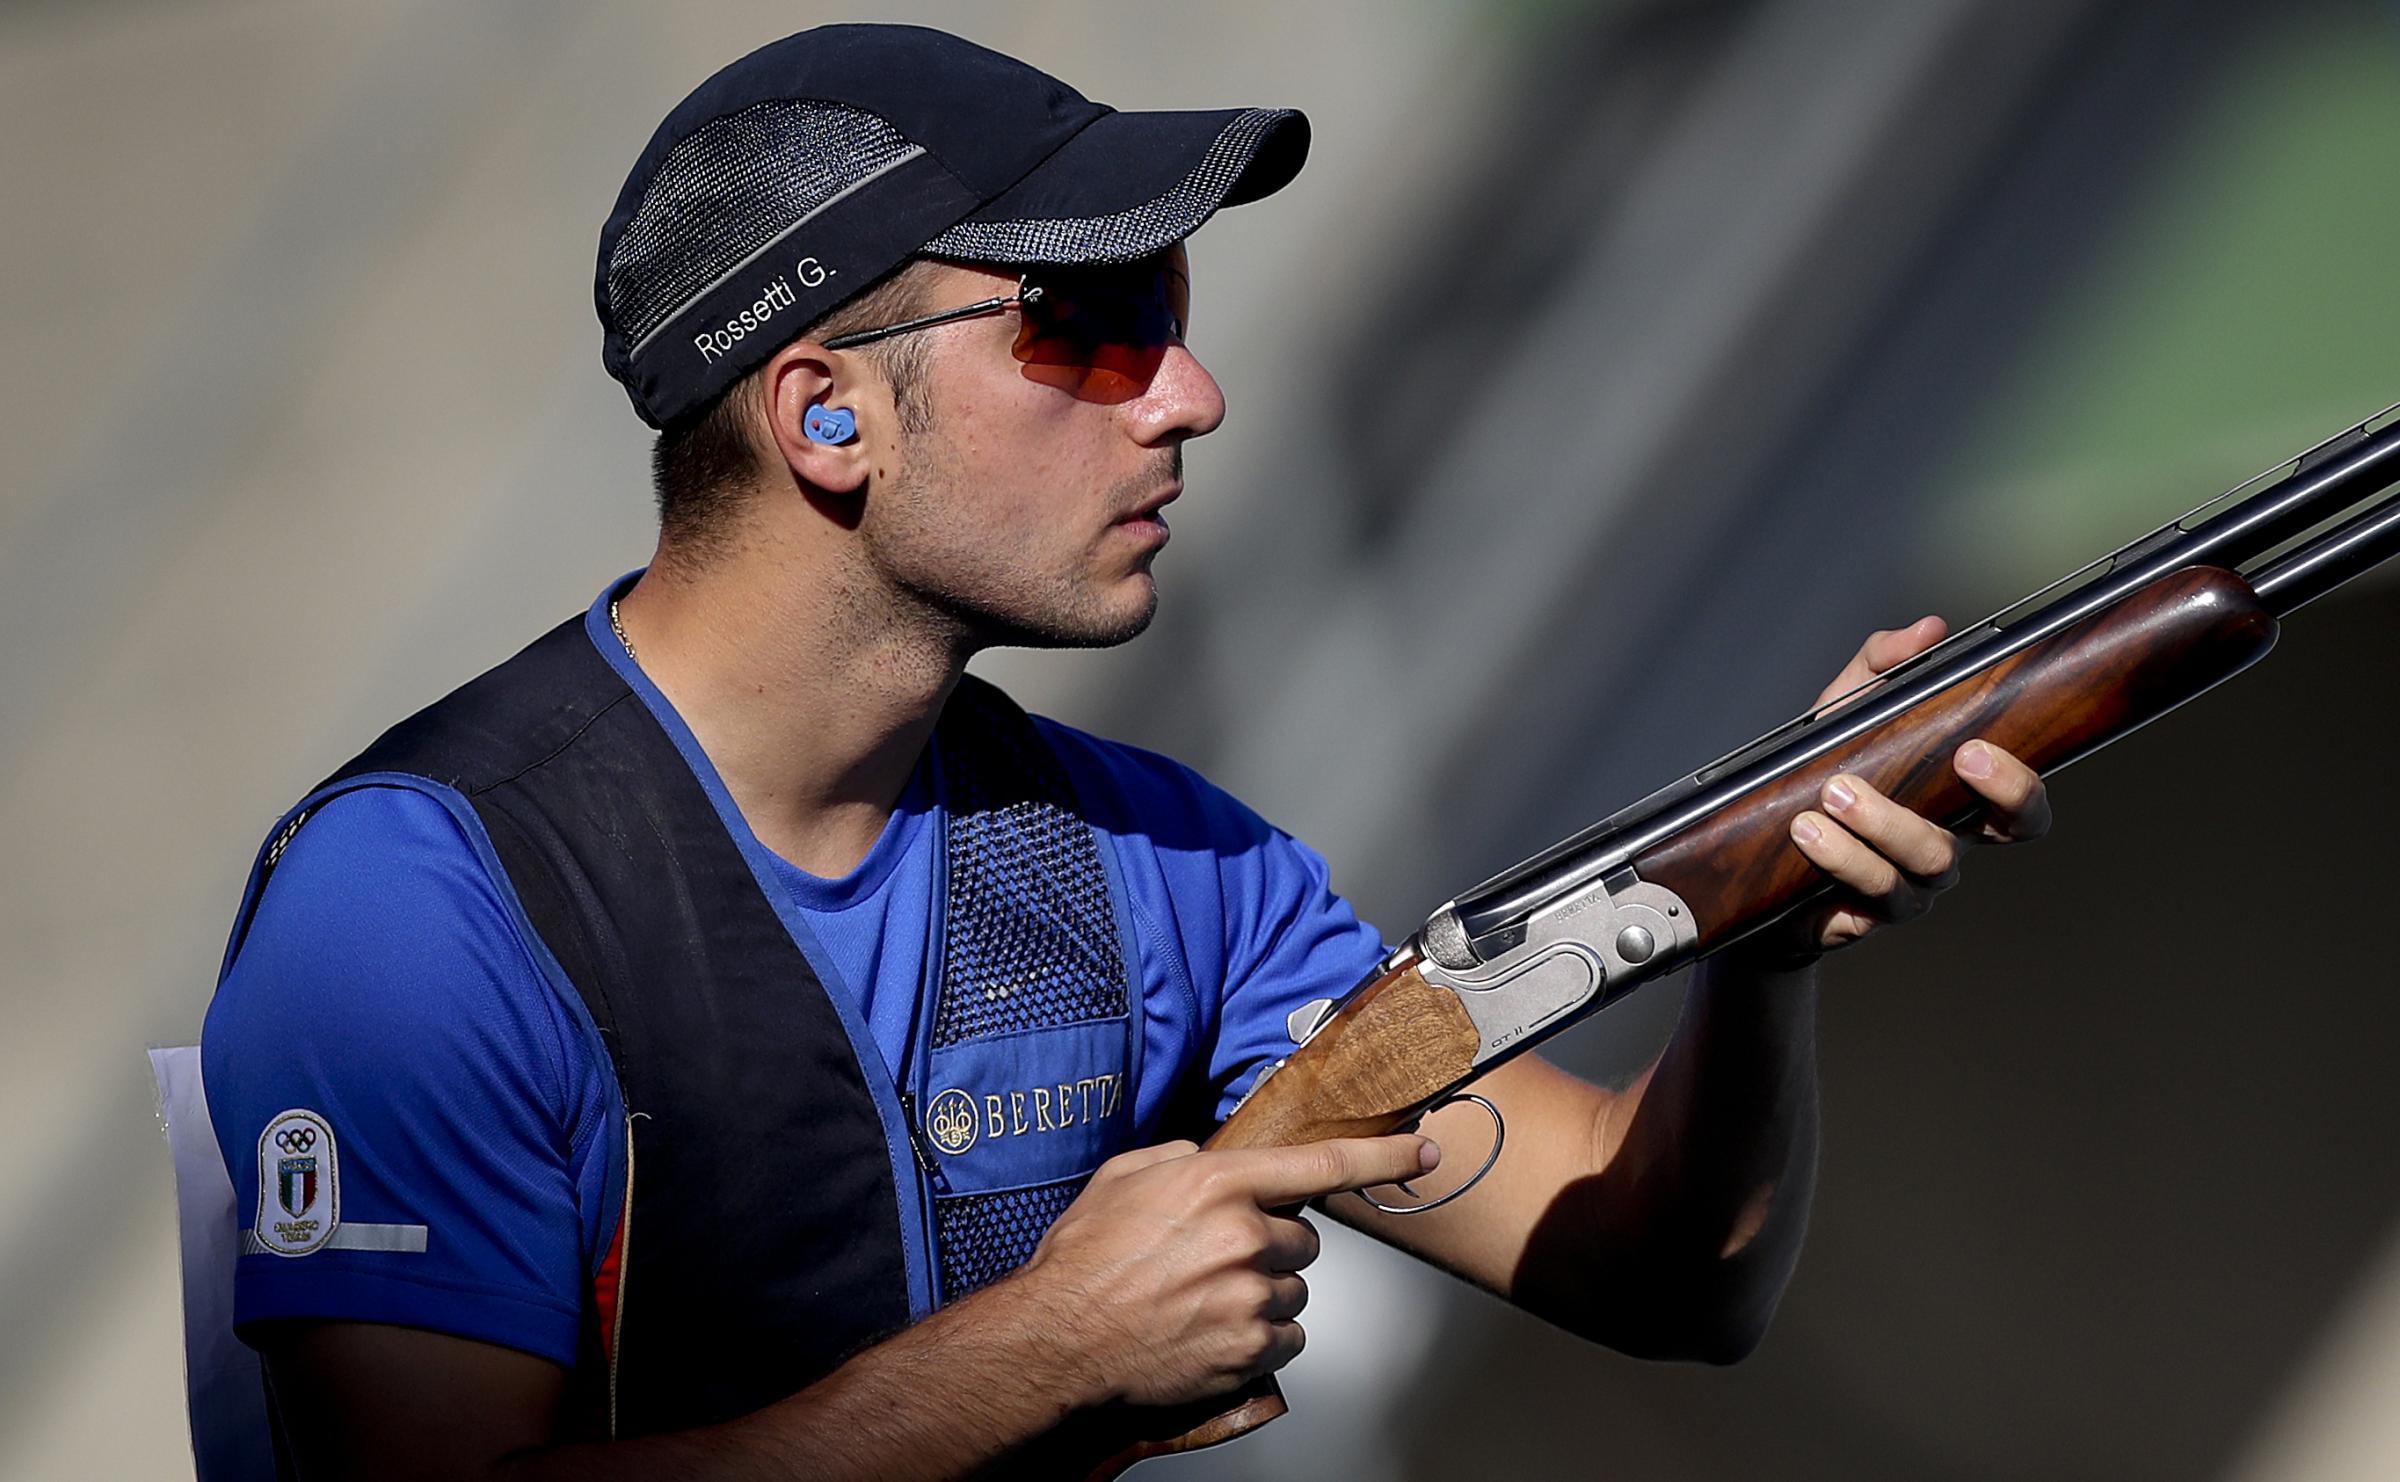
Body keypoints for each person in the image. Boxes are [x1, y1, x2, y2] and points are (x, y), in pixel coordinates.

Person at [201, 22, 2051, 1480]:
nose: (1192, 392)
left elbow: (1659, 1271)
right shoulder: (421, 900)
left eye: (1172, 313)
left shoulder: (1168, 870)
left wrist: (1761, 945)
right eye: (1090, 323)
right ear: (824, 410)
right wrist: (1052, 1350)